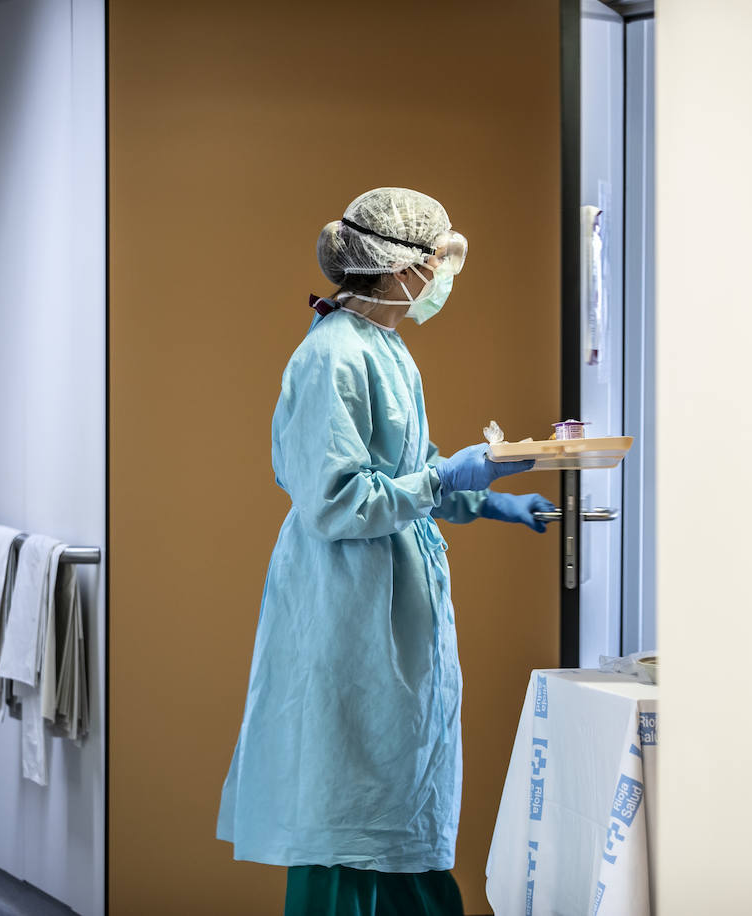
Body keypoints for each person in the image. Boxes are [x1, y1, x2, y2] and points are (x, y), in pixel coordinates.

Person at [216, 188, 554, 915]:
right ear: (399, 268)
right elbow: (338, 501)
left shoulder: (385, 348)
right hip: (348, 611)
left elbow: (409, 471)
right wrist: (444, 477)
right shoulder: (332, 357)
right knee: (348, 810)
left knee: (398, 802)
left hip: (389, 606)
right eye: (436, 261)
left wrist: (487, 498)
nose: (441, 277)